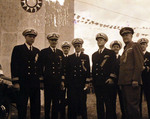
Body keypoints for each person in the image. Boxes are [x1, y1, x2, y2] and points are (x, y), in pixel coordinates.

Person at [11, 29, 41, 119]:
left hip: (34, 83)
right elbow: (14, 65)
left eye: (33, 37)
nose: (32, 39)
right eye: (30, 36)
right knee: (22, 106)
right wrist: (16, 82)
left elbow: (39, 67)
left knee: (36, 107)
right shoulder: (18, 49)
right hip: (23, 83)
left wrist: (40, 81)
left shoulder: (37, 51)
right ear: (25, 37)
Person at [118, 27, 144, 119]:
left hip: (132, 82)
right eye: (123, 35)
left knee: (133, 108)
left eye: (127, 35)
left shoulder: (135, 45)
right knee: (127, 108)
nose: (125, 37)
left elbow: (139, 64)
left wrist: (135, 79)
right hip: (125, 83)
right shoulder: (125, 48)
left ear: (131, 35)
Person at [38, 32, 64, 119]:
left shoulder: (60, 52)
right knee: (47, 102)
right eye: (52, 40)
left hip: (57, 81)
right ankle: (46, 117)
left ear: (57, 41)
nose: (54, 42)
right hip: (48, 81)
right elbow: (40, 67)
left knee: (56, 102)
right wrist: (41, 81)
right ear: (49, 40)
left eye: (55, 40)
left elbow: (62, 67)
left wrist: (62, 81)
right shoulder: (44, 52)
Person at [92, 33, 116, 119]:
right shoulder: (94, 55)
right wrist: (93, 81)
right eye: (98, 40)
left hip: (107, 82)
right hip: (98, 82)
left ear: (105, 41)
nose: (99, 41)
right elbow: (94, 69)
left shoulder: (110, 52)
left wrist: (111, 78)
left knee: (108, 103)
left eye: (101, 40)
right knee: (99, 103)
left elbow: (114, 66)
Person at [66, 38, 90, 119]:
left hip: (82, 84)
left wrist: (87, 82)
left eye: (78, 46)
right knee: (72, 102)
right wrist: (68, 84)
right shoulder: (70, 57)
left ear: (81, 46)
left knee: (82, 102)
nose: (77, 47)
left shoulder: (85, 57)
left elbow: (88, 71)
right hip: (72, 84)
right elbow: (67, 71)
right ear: (74, 47)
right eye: (75, 46)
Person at [110, 40, 125, 119]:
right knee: (112, 100)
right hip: (112, 82)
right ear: (111, 48)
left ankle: (124, 115)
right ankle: (113, 116)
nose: (115, 48)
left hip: (120, 82)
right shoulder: (109, 58)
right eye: (114, 47)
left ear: (119, 48)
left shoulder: (122, 58)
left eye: (117, 47)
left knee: (122, 100)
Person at [138, 38, 150, 118]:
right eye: (141, 44)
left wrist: (146, 68)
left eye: (144, 44)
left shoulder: (149, 55)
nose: (142, 46)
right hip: (138, 80)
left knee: (149, 99)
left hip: (148, 80)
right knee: (138, 101)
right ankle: (139, 116)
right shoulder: (137, 55)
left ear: (147, 45)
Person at [60, 41, 71, 119]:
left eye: (67, 48)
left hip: (70, 82)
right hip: (62, 81)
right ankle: (62, 115)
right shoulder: (60, 58)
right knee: (62, 98)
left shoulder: (71, 58)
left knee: (70, 98)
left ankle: (70, 115)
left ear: (69, 49)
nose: (66, 49)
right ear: (62, 49)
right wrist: (62, 80)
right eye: (64, 48)